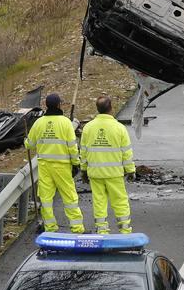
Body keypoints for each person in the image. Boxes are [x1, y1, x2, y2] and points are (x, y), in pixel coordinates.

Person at [24, 92, 85, 233]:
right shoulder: (65, 123)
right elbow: (72, 146)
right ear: (59, 105)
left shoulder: (38, 123)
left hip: (44, 166)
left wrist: (25, 141)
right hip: (62, 167)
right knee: (69, 197)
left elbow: (30, 144)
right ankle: (77, 228)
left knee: (45, 198)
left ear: (46, 106)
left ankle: (50, 228)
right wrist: (76, 163)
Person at [80, 95, 136, 234]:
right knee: (120, 201)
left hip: (95, 174)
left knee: (99, 202)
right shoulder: (119, 128)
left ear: (97, 109)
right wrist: (130, 170)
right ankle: (124, 229)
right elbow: (126, 153)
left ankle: (102, 230)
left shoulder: (88, 128)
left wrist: (83, 170)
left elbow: (84, 152)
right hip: (114, 173)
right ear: (111, 108)